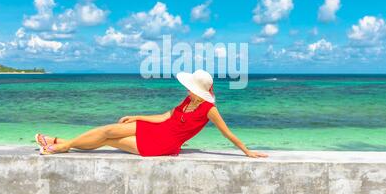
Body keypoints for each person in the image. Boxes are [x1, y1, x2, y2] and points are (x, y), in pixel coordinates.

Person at [36, 70, 268, 158]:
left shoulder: (210, 110)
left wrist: (247, 151)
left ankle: (58, 144)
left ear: (200, 91)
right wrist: (137, 116)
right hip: (156, 129)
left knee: (109, 141)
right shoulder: (188, 99)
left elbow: (227, 133)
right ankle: (61, 144)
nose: (188, 90)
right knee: (107, 131)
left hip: (164, 144)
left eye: (191, 88)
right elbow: (165, 116)